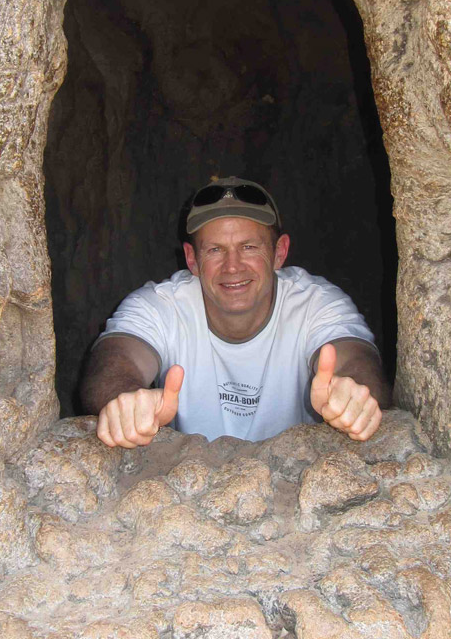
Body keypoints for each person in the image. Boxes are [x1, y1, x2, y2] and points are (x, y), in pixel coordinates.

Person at [80, 177, 392, 448]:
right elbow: (115, 360)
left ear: (279, 253)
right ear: (191, 259)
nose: (232, 267)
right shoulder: (163, 304)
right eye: (215, 249)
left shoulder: (315, 302)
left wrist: (354, 395)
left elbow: (356, 359)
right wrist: (125, 400)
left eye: (249, 247)